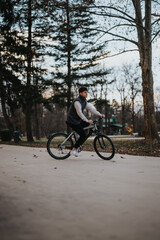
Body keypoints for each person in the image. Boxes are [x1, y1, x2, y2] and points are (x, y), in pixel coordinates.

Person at [66, 87, 105, 157]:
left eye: (87, 92)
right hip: (72, 121)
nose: (86, 94)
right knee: (83, 135)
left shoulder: (84, 102)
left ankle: (78, 140)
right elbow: (79, 113)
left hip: (77, 120)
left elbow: (92, 109)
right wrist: (87, 120)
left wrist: (100, 114)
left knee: (88, 125)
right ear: (80, 93)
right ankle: (74, 149)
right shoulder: (77, 102)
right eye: (85, 92)